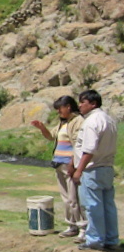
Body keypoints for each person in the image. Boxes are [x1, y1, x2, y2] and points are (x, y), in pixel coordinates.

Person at [31, 96, 86, 238]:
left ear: (68, 107)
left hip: (70, 165)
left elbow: (78, 145)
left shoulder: (78, 121)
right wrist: (42, 128)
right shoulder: (63, 122)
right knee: (66, 198)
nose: (58, 112)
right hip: (59, 164)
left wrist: (72, 164)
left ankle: (83, 228)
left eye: (59, 109)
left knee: (74, 198)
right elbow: (51, 136)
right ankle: (71, 225)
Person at [72, 90, 119, 251]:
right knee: (108, 205)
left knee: (93, 206)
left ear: (93, 104)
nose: (80, 105)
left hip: (93, 169)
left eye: (83, 102)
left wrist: (79, 170)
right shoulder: (109, 119)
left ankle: (95, 240)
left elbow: (89, 149)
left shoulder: (92, 122)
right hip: (107, 166)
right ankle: (112, 238)